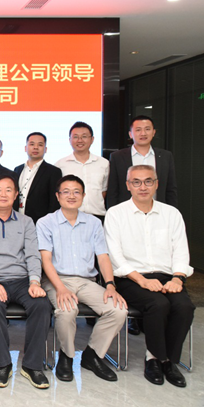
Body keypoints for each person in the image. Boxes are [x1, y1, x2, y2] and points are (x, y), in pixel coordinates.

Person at [105, 165, 194, 388]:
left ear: (156, 184)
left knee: (184, 306)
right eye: (136, 182)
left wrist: (178, 278)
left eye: (148, 181)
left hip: (167, 276)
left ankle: (169, 361)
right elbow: (115, 256)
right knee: (158, 304)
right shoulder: (116, 213)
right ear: (128, 185)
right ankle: (154, 358)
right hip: (130, 278)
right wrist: (142, 280)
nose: (142, 187)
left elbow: (181, 250)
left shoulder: (171, 214)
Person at [37, 174, 127, 383]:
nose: (71, 196)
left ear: (84, 196)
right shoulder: (46, 222)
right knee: (67, 310)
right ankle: (66, 356)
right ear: (58, 196)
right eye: (66, 192)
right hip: (57, 280)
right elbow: (45, 260)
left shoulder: (94, 223)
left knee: (118, 309)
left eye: (76, 192)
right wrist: (60, 288)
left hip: (87, 281)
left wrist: (110, 285)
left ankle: (93, 355)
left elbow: (103, 257)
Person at [0, 173, 52, 389]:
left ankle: (32, 366)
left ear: (16, 195)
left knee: (42, 305)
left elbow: (33, 254)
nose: (3, 194)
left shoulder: (26, 222)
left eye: (9, 190)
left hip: (22, 279)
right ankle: (3, 364)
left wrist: (35, 282)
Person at [106, 115, 177, 209]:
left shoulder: (165, 156)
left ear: (153, 132)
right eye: (138, 130)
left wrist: (172, 211)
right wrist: (113, 212)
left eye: (147, 129)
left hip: (158, 211)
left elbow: (171, 189)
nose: (143, 133)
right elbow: (113, 191)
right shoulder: (117, 157)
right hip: (127, 212)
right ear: (130, 134)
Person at [55, 122, 109, 221]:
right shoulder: (60, 165)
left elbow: (104, 191)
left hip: (97, 215)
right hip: (69, 216)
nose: (80, 140)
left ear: (92, 139)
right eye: (75, 137)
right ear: (70, 140)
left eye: (84, 136)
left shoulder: (104, 163)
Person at [13, 132, 62, 223]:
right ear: (25, 148)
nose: (35, 147)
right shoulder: (17, 169)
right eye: (32, 144)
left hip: (41, 223)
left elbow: (54, 202)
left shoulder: (53, 171)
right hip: (17, 221)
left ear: (45, 149)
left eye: (40, 145)